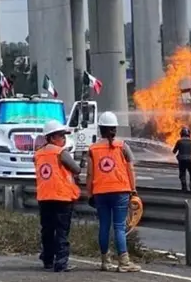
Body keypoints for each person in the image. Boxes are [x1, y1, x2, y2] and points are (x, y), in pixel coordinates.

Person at [87, 111, 140, 273]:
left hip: (100, 192)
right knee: (119, 226)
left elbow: (90, 174)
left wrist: (90, 194)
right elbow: (130, 168)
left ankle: (105, 261)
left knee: (104, 225)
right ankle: (123, 262)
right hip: (120, 191)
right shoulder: (122, 146)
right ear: (115, 129)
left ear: (100, 129)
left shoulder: (93, 149)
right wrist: (133, 189)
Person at [34, 120, 81, 272]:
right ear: (52, 137)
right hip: (62, 197)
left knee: (47, 230)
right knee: (61, 230)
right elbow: (76, 169)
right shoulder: (61, 152)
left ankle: (47, 259)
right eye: (61, 136)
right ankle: (61, 262)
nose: (64, 139)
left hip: (44, 197)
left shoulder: (38, 154)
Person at [173, 126, 191, 191]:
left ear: (181, 134)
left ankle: (184, 188)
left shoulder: (179, 141)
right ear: (188, 134)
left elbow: (174, 151)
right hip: (190, 160)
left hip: (182, 160)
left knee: (182, 173)